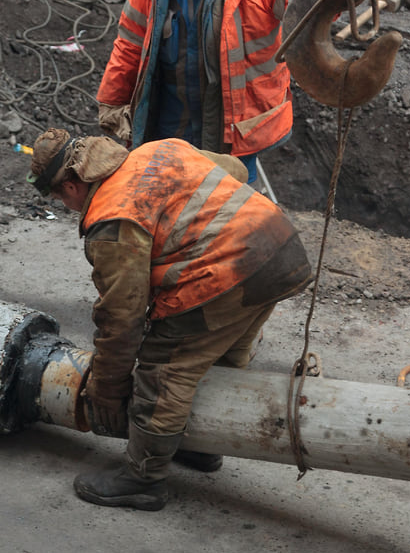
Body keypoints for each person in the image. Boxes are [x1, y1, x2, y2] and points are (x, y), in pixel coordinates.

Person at [27, 128, 311, 510]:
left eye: (60, 197)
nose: (65, 206)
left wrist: (108, 390)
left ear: (73, 184)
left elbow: (121, 318)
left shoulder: (113, 220)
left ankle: (142, 479)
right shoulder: (160, 151)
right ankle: (200, 444)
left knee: (163, 370)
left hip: (227, 275)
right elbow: (236, 172)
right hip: (279, 249)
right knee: (219, 358)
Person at [96, 0, 324, 185]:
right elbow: (129, 42)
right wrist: (112, 101)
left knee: (229, 211)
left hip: (231, 123)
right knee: (165, 199)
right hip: (169, 115)